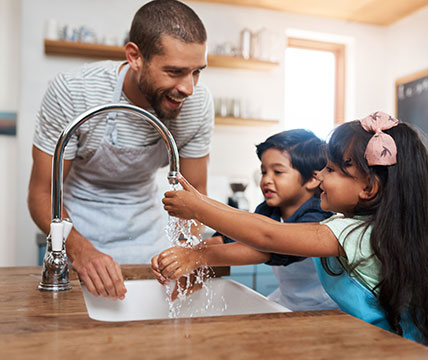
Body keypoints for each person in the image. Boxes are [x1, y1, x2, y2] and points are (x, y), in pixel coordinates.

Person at [158, 112, 428, 344]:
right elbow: (259, 224)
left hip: (396, 348)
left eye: (331, 170)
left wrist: (198, 214)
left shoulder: (351, 233)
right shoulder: (352, 226)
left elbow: (268, 236)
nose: (320, 174)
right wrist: (202, 202)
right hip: (370, 340)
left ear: (368, 188)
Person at [28, 0, 214, 300]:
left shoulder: (196, 105)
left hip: (148, 235)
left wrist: (186, 250)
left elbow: (196, 194)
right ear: (135, 57)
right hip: (77, 230)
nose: (188, 88)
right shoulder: (74, 92)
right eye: (175, 71)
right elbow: (41, 195)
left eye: (196, 72)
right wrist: (80, 252)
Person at [152, 129, 338, 310]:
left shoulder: (319, 215)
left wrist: (196, 256)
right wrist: (181, 254)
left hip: (326, 308)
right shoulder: (270, 209)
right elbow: (230, 237)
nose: (266, 180)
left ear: (313, 179)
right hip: (287, 302)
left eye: (278, 172)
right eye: (264, 172)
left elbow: (266, 248)